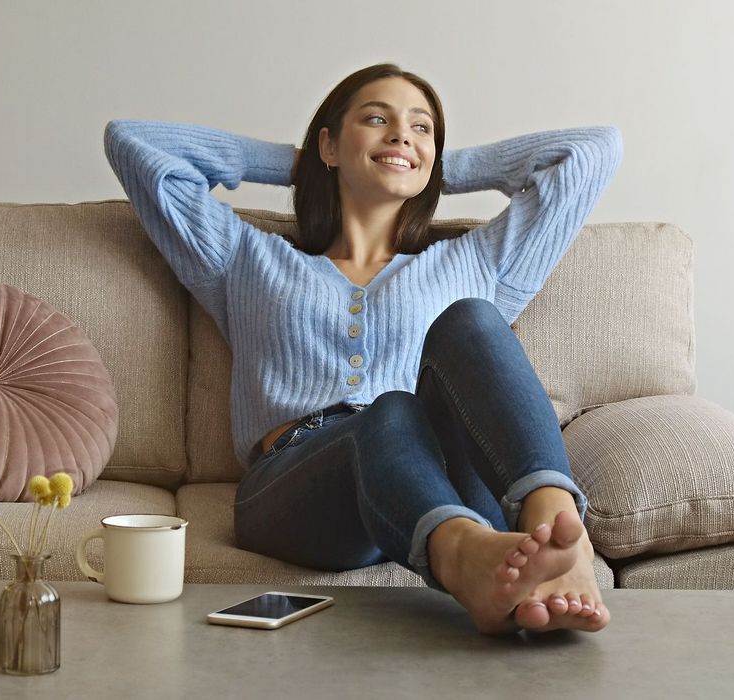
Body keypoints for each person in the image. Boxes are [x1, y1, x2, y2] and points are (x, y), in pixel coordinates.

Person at [104, 63, 622, 634]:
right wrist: (303, 164)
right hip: (300, 489)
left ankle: (552, 520)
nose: (402, 134)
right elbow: (134, 143)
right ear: (328, 142)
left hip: (447, 478)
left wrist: (438, 167)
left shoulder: (477, 262)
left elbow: (593, 153)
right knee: (391, 408)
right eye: (377, 119)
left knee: (472, 319)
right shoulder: (244, 258)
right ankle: (463, 554)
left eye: (421, 127)